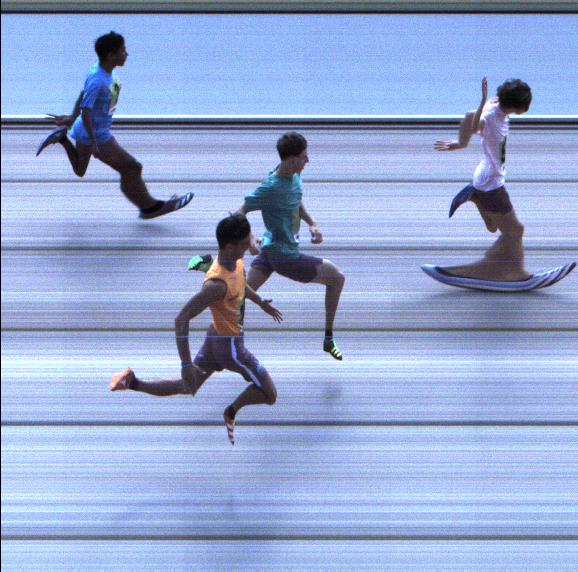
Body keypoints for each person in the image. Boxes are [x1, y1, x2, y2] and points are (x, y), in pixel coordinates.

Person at [109, 214, 282, 445]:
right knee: (270, 394)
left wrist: (260, 302)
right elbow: (181, 319)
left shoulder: (235, 262)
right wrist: (186, 364)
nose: (249, 245)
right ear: (230, 247)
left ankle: (132, 382)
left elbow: (241, 283)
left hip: (214, 338)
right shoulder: (215, 285)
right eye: (244, 243)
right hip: (231, 349)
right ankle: (232, 410)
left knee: (187, 386)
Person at [36, 31, 193, 220]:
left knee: (82, 170)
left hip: (91, 131)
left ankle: (62, 138)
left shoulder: (102, 72)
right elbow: (86, 109)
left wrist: (71, 118)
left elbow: (83, 95)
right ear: (111, 55)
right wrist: (94, 141)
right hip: (94, 134)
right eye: (123, 51)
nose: (126, 54)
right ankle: (150, 208)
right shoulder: (98, 79)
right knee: (132, 167)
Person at [434, 77, 533, 281]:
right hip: (491, 183)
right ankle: (514, 272)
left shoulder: (497, 104)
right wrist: (461, 143)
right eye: (525, 105)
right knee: (515, 230)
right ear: (516, 106)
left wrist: (462, 142)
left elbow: (476, 114)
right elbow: (472, 119)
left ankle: (498, 265)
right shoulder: (489, 117)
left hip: (488, 177)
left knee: (495, 227)